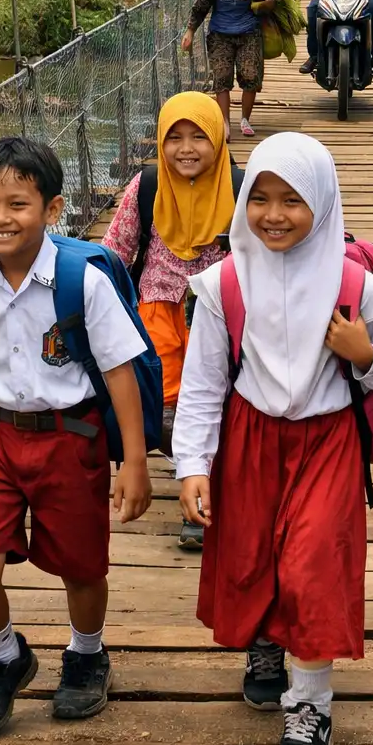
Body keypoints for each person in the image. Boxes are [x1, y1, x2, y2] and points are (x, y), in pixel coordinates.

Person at [172, 133, 373, 745]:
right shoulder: (225, 282)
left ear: (323, 203)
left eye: (293, 200)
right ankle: (264, 642)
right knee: (253, 556)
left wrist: (365, 354)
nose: (274, 215)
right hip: (250, 438)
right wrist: (193, 465)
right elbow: (202, 383)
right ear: (242, 201)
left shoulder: (353, 285)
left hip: (327, 440)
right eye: (260, 198)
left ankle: (310, 707)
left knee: (314, 565)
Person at [0, 136, 153, 738]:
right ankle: (3, 657)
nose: (0, 219)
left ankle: (86, 654)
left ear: (52, 209)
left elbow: (120, 373)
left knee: (82, 567)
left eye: (17, 204)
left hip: (71, 438)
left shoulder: (83, 281)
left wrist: (135, 460)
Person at [103, 92, 237, 547]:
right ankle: (193, 483)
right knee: (161, 409)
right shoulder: (146, 188)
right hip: (156, 311)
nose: (186, 148)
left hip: (218, 314)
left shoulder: (240, 189)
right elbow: (113, 254)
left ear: (218, 139)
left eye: (199, 136)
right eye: (174, 137)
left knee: (216, 401)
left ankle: (201, 496)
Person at [181, 0, 274, 140]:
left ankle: (245, 120)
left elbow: (268, 6)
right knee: (221, 78)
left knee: (250, 76)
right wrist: (190, 31)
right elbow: (200, 9)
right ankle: (224, 122)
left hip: (248, 33)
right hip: (219, 36)